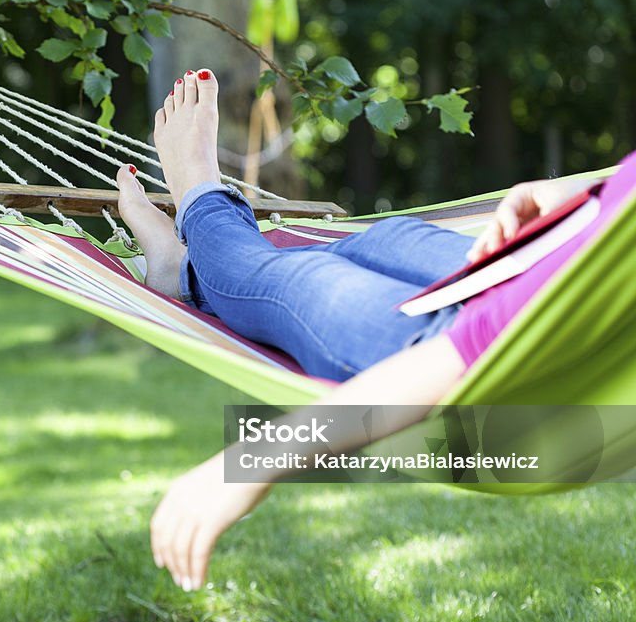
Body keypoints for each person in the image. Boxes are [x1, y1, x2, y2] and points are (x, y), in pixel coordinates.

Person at [112, 68, 635, 592]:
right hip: (545, 263)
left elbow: (474, 346)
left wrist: (255, 457)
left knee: (286, 277)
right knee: (387, 239)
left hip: (505, 352)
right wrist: (589, 204)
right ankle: (182, 272)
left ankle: (197, 194)